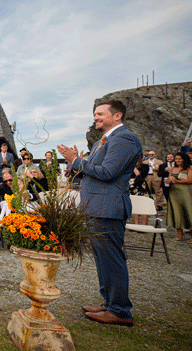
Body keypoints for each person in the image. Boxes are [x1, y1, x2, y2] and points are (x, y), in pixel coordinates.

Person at [58, 99, 141, 327]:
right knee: (102, 260)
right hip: (96, 207)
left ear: (117, 116)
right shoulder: (103, 141)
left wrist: (76, 161)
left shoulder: (124, 139)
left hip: (108, 208)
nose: (95, 117)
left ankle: (120, 311)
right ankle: (109, 302)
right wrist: (76, 163)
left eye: (100, 113)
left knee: (112, 260)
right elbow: (93, 172)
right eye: (94, 114)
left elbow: (107, 173)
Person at [165, 152, 192, 241]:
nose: (177, 160)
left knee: (189, 211)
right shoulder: (172, 169)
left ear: (184, 159)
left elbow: (190, 180)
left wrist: (177, 181)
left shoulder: (189, 168)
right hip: (174, 193)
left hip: (186, 192)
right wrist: (168, 181)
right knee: (176, 212)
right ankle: (180, 233)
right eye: (176, 159)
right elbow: (170, 179)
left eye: (179, 159)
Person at [129, 157, 151, 225]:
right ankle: (136, 224)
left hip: (141, 187)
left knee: (143, 205)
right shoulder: (127, 166)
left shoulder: (145, 166)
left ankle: (144, 225)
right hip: (131, 188)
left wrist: (134, 167)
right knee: (133, 205)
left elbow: (141, 176)